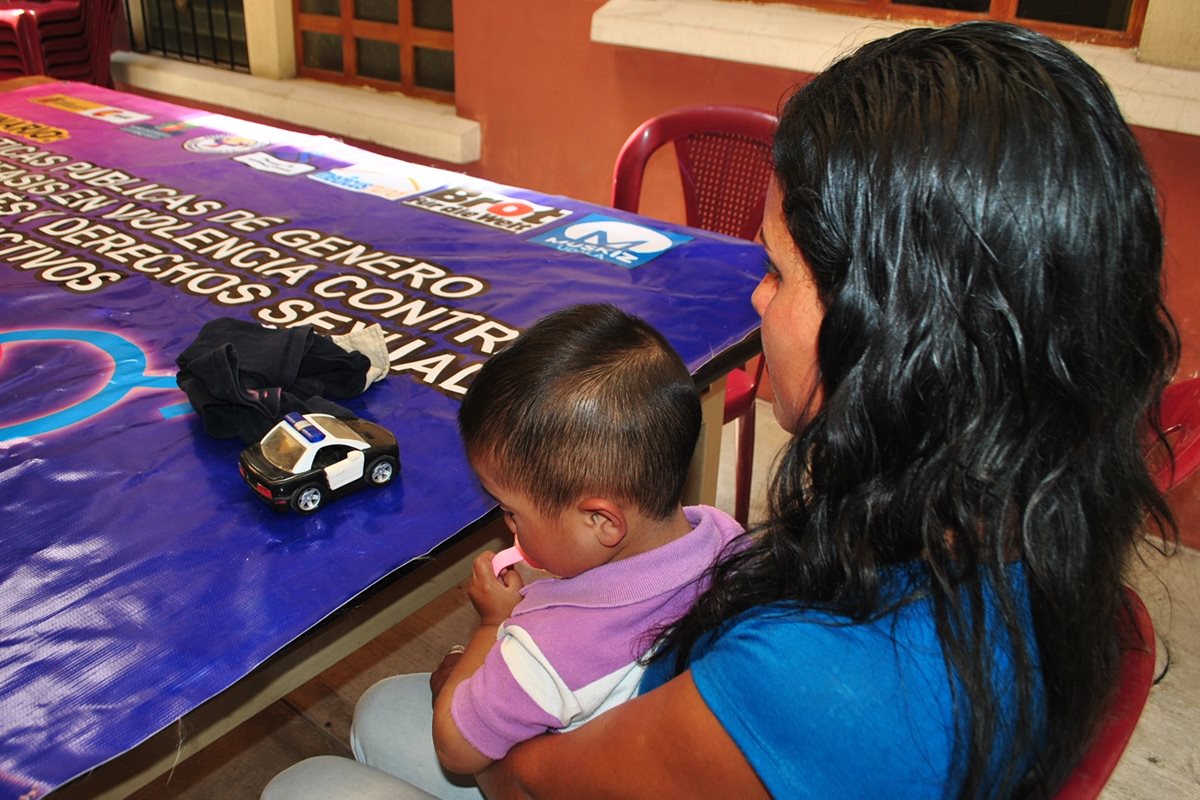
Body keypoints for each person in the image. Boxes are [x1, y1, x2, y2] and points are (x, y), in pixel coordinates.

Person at [264, 19, 1178, 799]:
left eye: (779, 271)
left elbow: (533, 776)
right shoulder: (1022, 526)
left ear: (900, 337)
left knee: (317, 773)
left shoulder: (826, 682)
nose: (756, 300)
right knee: (390, 711)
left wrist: (491, 669)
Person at [265, 302, 743, 799]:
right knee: (381, 705)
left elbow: (455, 746)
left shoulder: (553, 645)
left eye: (512, 511)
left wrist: (494, 625)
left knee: (297, 787)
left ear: (601, 521)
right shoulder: (726, 538)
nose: (505, 523)